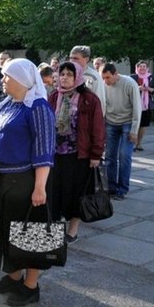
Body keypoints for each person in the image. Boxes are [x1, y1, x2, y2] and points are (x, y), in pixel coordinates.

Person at [0, 58, 56, 307]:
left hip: (27, 180)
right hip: (4, 178)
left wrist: (39, 187)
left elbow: (44, 149)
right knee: (7, 230)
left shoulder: (37, 107)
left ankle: (30, 286)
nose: (3, 80)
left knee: (31, 233)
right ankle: (13, 277)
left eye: (7, 76)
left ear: (22, 80)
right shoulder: (7, 104)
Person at [48, 61, 104, 243]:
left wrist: (96, 154)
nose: (64, 77)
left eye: (69, 74)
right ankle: (55, 225)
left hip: (79, 155)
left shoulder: (89, 99)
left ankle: (73, 230)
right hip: (56, 154)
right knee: (55, 192)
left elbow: (97, 128)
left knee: (76, 193)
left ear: (77, 77)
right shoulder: (54, 96)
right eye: (62, 74)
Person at [102, 63, 142, 200]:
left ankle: (122, 189)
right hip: (111, 122)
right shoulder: (104, 85)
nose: (106, 81)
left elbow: (137, 107)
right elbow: (103, 105)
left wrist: (134, 130)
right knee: (109, 157)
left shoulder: (129, 83)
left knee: (124, 155)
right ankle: (111, 188)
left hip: (127, 122)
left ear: (115, 74)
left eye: (108, 77)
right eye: (103, 78)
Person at [130, 61, 154, 151]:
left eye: (144, 66)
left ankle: (139, 144)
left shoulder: (150, 77)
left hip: (146, 105)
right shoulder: (132, 77)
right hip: (134, 104)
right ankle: (132, 144)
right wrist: (138, 88)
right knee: (134, 125)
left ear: (147, 68)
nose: (142, 68)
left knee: (143, 125)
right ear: (137, 68)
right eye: (140, 66)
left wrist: (148, 89)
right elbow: (129, 89)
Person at [69, 45, 106, 115]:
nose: (72, 61)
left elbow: (100, 101)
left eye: (76, 58)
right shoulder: (66, 74)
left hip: (87, 117)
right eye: (70, 58)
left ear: (86, 59)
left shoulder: (94, 77)